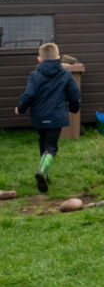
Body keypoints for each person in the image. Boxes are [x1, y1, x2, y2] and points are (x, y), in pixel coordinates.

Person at [15, 42, 82, 193]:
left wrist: (20, 108)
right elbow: (74, 94)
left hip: (40, 117)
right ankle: (42, 172)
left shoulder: (35, 75)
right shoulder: (65, 74)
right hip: (56, 116)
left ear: (39, 59)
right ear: (58, 57)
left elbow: (29, 95)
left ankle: (44, 174)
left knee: (43, 143)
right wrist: (74, 108)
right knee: (51, 146)